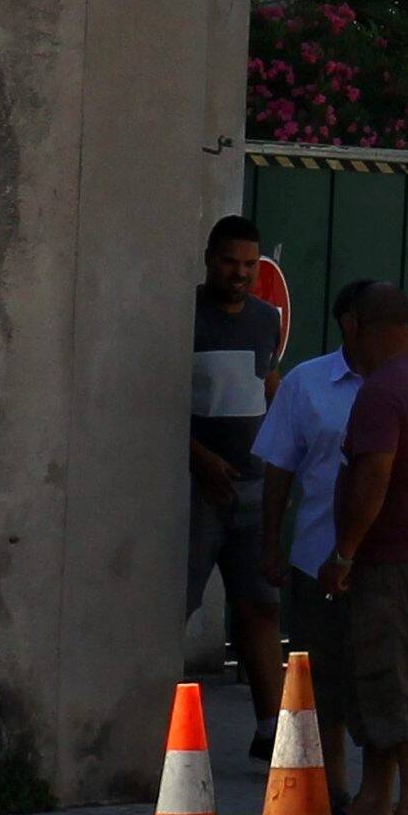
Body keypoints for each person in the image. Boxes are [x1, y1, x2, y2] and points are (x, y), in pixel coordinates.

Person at [318, 283, 408, 815]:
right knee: (374, 682)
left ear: (354, 325)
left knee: (399, 686)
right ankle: (373, 802)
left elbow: (373, 475)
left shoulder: (382, 390)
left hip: (392, 565)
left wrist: (344, 552)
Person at [253, 279, 373, 779]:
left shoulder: (407, 384)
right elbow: (279, 467)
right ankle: (330, 787)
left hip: (383, 564)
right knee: (319, 682)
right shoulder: (306, 382)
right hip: (315, 559)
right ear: (351, 324)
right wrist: (270, 544)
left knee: (377, 683)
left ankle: (378, 795)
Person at [186, 215, 286, 706]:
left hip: (253, 488)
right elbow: (153, 403)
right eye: (229, 262)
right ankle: (147, 726)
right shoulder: (183, 315)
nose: (240, 273)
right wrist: (199, 457)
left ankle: (273, 731)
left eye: (249, 264)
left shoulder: (267, 319)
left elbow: (268, 386)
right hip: (193, 491)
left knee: (261, 607)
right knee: (171, 607)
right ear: (209, 259)